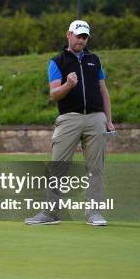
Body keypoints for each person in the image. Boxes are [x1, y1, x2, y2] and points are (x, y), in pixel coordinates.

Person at [25, 20, 115, 226]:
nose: (81, 40)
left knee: (96, 168)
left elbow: (103, 91)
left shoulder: (94, 60)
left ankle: (94, 214)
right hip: (68, 119)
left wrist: (108, 120)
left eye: (85, 37)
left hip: (96, 118)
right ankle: (50, 213)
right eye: (78, 36)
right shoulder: (57, 61)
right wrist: (69, 84)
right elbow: (54, 94)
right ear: (69, 35)